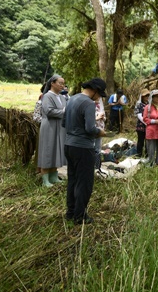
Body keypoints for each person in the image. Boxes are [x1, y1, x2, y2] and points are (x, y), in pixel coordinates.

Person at [63, 77, 107, 225]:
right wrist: (100, 132)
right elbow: (90, 129)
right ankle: (80, 216)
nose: (100, 98)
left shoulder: (72, 98)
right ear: (95, 91)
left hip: (69, 145)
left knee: (73, 180)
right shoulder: (89, 103)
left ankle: (70, 212)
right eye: (100, 94)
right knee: (85, 182)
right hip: (83, 147)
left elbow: (64, 123)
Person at [37, 74, 67, 187]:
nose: (62, 85)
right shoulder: (47, 96)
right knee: (48, 150)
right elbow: (49, 111)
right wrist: (64, 111)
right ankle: (45, 178)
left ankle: (54, 175)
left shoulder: (62, 97)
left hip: (59, 126)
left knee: (56, 149)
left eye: (63, 83)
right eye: (60, 83)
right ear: (52, 83)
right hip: (49, 126)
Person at [135, 89, 150, 157]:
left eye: (148, 96)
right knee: (141, 141)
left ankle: (147, 155)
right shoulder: (139, 104)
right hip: (141, 125)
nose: (147, 97)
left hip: (148, 126)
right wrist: (146, 122)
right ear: (142, 97)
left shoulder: (149, 105)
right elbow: (139, 115)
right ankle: (139, 155)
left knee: (148, 142)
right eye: (145, 96)